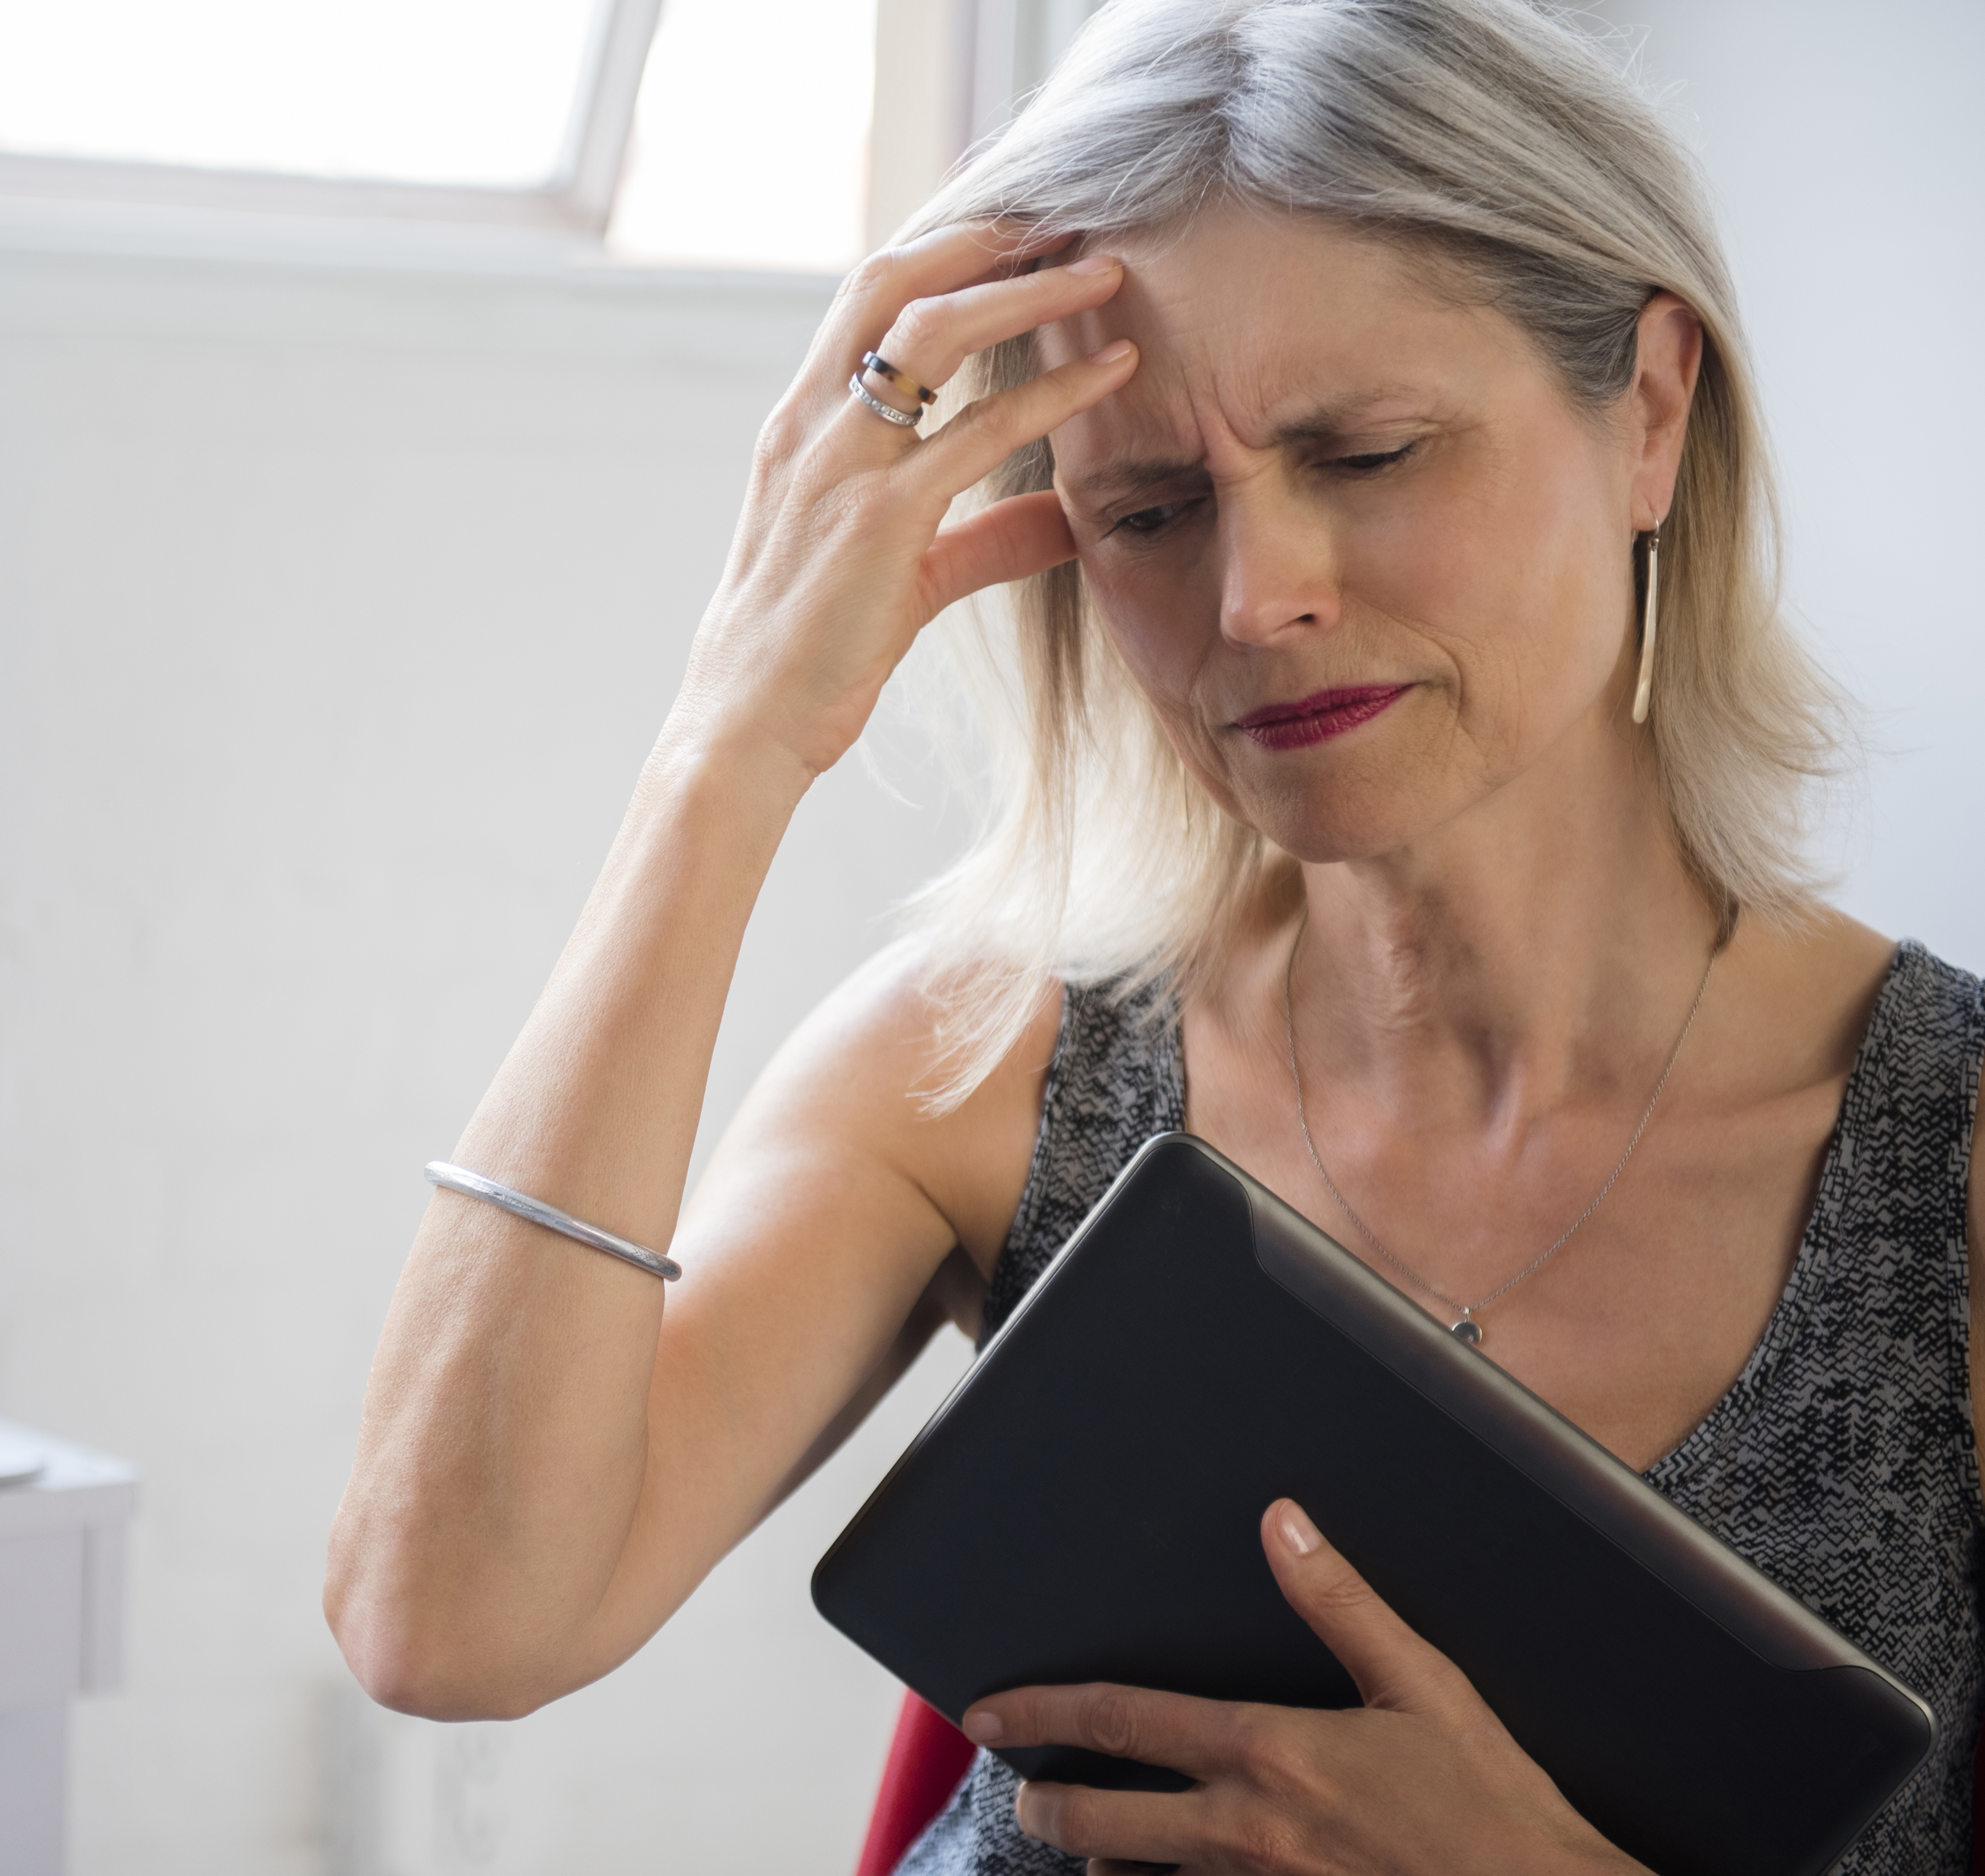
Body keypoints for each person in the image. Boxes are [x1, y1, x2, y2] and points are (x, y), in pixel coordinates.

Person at [323, 0, 1985, 1868]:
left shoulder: (1947, 1156)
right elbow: (448, 1622)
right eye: (1148, 508)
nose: (1257, 595)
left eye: (1366, 453)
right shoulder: (976, 1068)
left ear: (1653, 413)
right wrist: (725, 749)